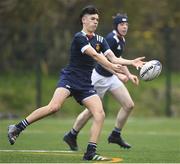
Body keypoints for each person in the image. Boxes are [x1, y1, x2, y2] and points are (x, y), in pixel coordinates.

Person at [7, 6, 144, 161]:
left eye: (97, 19)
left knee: (99, 114)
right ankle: (17, 128)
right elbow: (94, 55)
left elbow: (113, 58)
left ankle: (90, 153)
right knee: (54, 107)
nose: (95, 22)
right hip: (70, 79)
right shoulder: (79, 37)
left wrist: (131, 62)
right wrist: (112, 67)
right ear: (83, 20)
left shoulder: (100, 40)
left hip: (85, 84)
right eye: (92, 18)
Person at [63, 13, 138, 151]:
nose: (125, 27)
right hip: (99, 77)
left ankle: (115, 134)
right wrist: (118, 74)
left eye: (126, 24)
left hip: (111, 77)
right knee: (92, 111)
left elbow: (117, 58)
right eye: (122, 24)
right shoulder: (111, 38)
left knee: (128, 105)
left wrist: (128, 73)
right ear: (116, 25)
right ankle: (71, 134)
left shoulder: (121, 39)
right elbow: (102, 60)